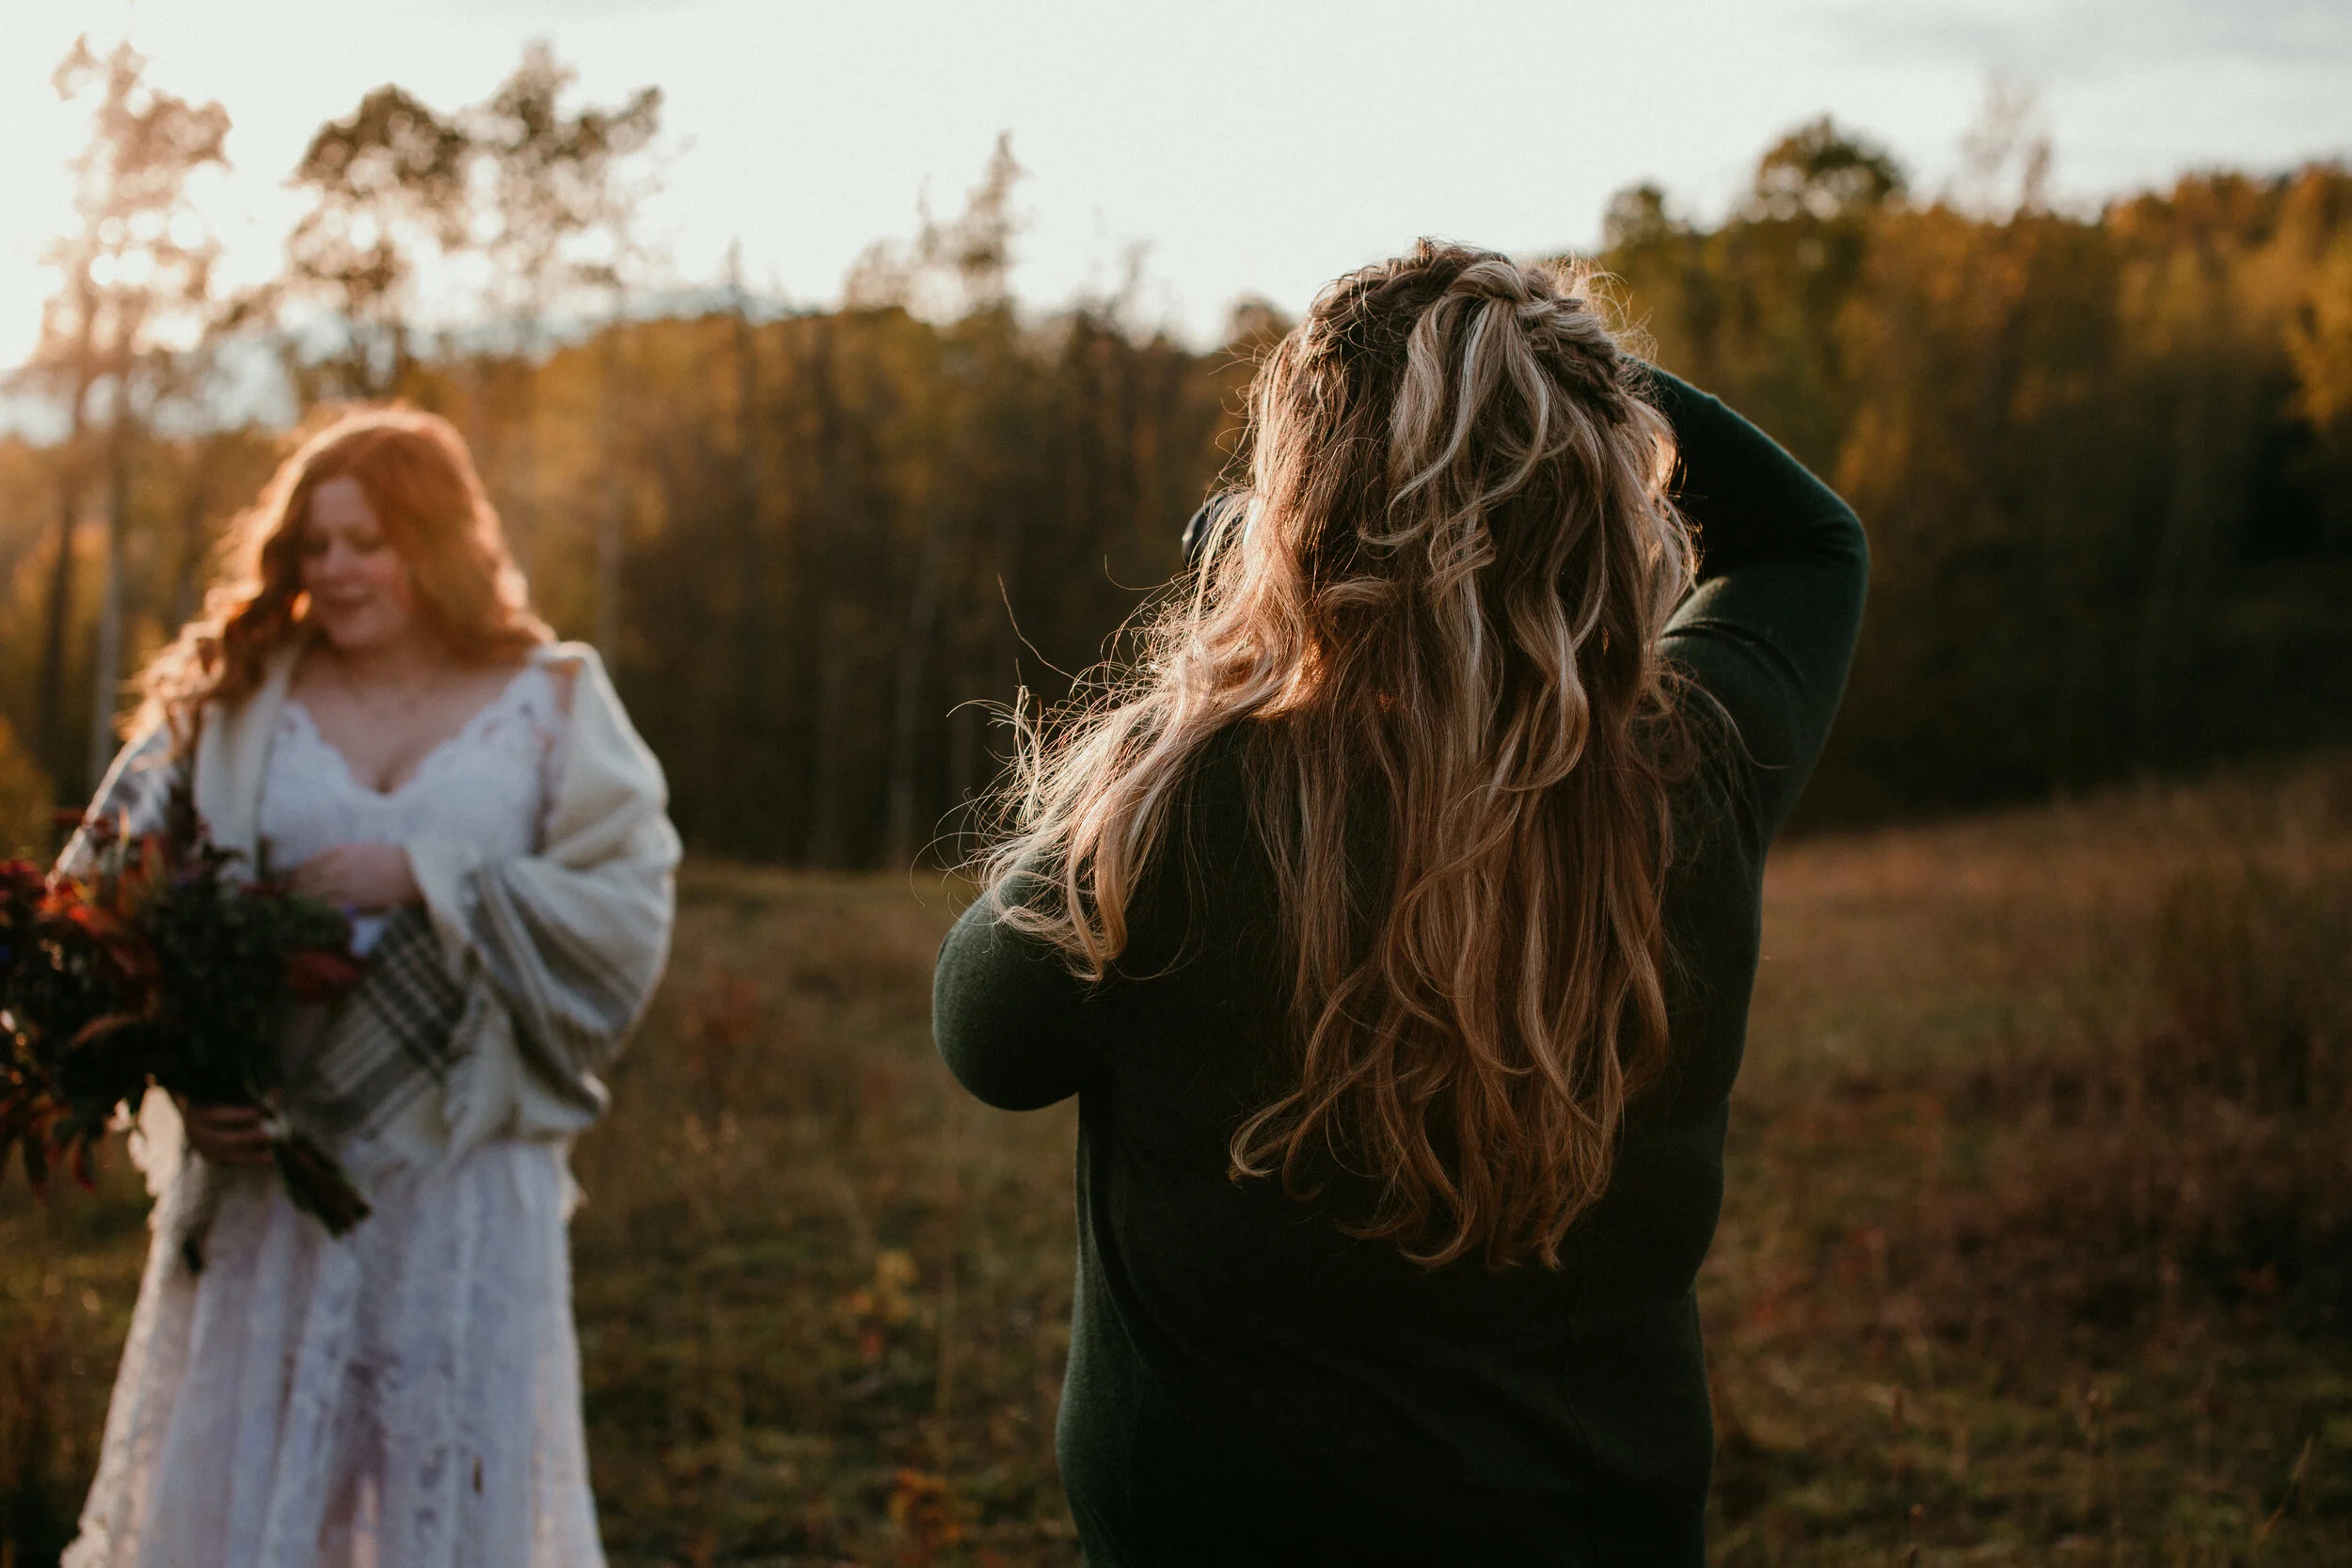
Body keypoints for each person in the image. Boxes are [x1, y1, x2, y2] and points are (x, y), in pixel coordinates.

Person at [933, 241, 1867, 1564]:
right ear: (1593, 483)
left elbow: (984, 1036)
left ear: (1301, 515)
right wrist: (1540, 370)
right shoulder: (1693, 765)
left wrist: (1204, 684)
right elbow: (1810, 536)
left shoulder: (1189, 806)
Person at [62, 406, 680, 1568]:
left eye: (367, 540)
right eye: (314, 544)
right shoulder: (231, 702)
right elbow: (93, 908)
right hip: (267, 1188)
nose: (335, 570)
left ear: (435, 544)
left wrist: (427, 873)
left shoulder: (549, 698)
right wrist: (185, 1081)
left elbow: (630, 904)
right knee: (247, 1503)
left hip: (462, 1181)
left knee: (441, 1496)